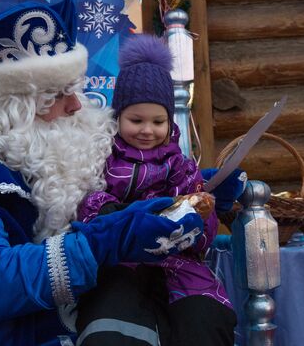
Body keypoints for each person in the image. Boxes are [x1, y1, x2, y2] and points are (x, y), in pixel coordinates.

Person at [0, 0, 206, 346]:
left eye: (76, 88)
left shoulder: (51, 141)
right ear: (16, 103)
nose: (77, 105)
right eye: (61, 93)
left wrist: (194, 181)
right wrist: (105, 243)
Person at [75, 35, 247, 346]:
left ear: (169, 122)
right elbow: (86, 199)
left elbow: (202, 236)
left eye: (158, 121)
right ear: (118, 117)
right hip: (121, 261)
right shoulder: (102, 157)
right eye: (136, 119)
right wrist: (108, 211)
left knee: (203, 319)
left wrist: (201, 213)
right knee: (113, 324)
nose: (147, 130)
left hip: (178, 264)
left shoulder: (181, 165)